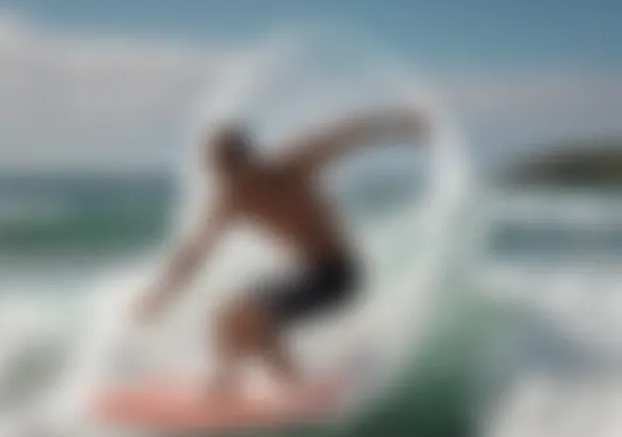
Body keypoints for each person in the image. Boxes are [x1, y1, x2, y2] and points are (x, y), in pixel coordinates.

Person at [135, 109, 428, 394]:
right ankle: (227, 382)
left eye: (224, 165)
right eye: (215, 167)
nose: (220, 174)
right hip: (308, 271)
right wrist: (161, 295)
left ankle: (294, 387)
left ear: (244, 158)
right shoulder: (231, 200)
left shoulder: (288, 168)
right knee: (225, 316)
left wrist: (398, 125)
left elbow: (339, 139)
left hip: (339, 272)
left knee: (256, 321)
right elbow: (195, 252)